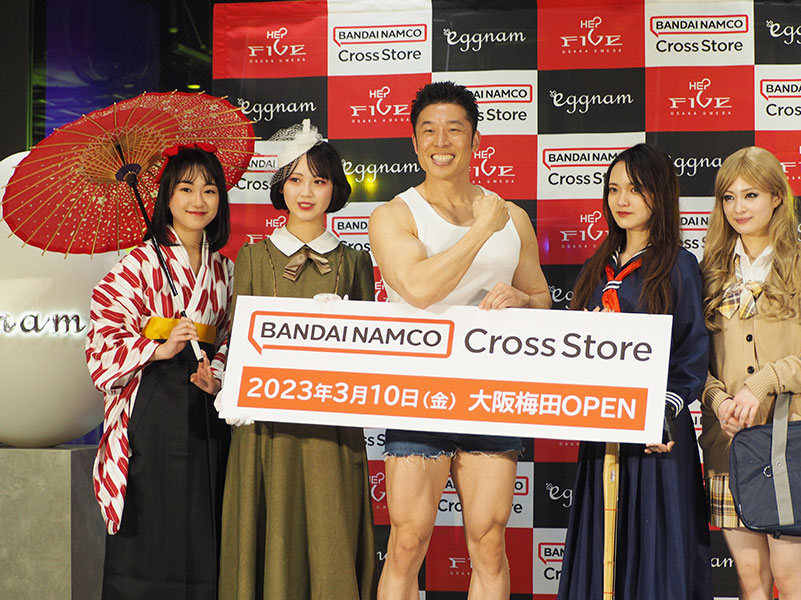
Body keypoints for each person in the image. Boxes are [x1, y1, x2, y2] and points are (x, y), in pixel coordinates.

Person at [368, 81, 550, 599]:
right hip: (418, 391)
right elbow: (418, 288)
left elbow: (542, 301)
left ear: (475, 140)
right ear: (414, 142)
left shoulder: (512, 218)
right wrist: (479, 230)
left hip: (492, 393)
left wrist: (522, 300)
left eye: (454, 129)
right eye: (429, 130)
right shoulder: (394, 215)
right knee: (407, 541)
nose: (441, 141)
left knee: (489, 542)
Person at [217, 120, 377, 600]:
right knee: (271, 528)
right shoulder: (252, 257)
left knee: (332, 527)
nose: (306, 192)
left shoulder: (354, 262)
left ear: (335, 189)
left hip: (332, 425)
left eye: (319, 180)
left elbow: (370, 352)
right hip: (265, 428)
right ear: (280, 187)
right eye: (295, 179)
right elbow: (238, 342)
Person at [557, 143, 712, 600]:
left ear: (660, 195)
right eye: (613, 189)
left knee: (656, 558)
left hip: (655, 438)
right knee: (602, 551)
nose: (621, 200)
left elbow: (691, 354)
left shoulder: (678, 265)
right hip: (601, 428)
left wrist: (662, 413)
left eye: (636, 189)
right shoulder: (597, 265)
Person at [87, 143, 234, 599]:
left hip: (205, 407)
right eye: (186, 188)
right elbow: (101, 340)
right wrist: (157, 347)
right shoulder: (138, 264)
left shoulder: (226, 270)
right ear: (167, 196)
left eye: (209, 190)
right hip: (152, 404)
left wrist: (217, 374)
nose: (198, 200)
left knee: (204, 524)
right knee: (149, 527)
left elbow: (232, 338)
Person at [699, 146, 801, 600]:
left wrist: (761, 383)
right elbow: (693, 361)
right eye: (728, 197)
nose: (738, 208)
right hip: (729, 446)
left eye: (751, 195)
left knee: (790, 574)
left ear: (777, 197)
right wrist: (719, 400)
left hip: (795, 442)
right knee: (751, 578)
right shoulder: (710, 269)